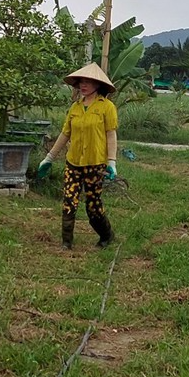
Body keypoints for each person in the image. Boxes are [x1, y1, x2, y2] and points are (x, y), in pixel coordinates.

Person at [36, 63, 119, 250]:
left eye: (88, 81)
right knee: (69, 200)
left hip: (96, 164)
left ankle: (106, 235)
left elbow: (111, 134)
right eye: (81, 81)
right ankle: (67, 242)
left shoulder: (107, 107)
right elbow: (65, 134)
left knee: (93, 204)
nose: (84, 84)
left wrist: (112, 163)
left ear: (98, 84)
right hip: (73, 162)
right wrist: (49, 158)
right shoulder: (75, 107)